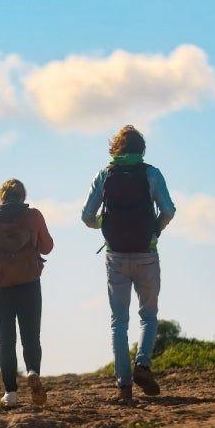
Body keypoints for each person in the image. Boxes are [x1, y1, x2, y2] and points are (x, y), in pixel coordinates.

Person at [81, 124, 175, 403]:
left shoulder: (104, 174)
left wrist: (104, 224)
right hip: (146, 253)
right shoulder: (151, 174)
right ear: (141, 149)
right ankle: (142, 365)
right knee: (149, 316)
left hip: (116, 256)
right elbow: (168, 210)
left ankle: (124, 386)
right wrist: (155, 230)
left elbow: (86, 216)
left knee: (118, 322)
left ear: (116, 149)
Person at [0, 179, 54, 407]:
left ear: (1, 196)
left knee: (6, 340)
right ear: (22, 196)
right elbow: (47, 247)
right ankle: (32, 371)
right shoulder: (33, 216)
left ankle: (11, 393)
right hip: (29, 284)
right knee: (31, 336)